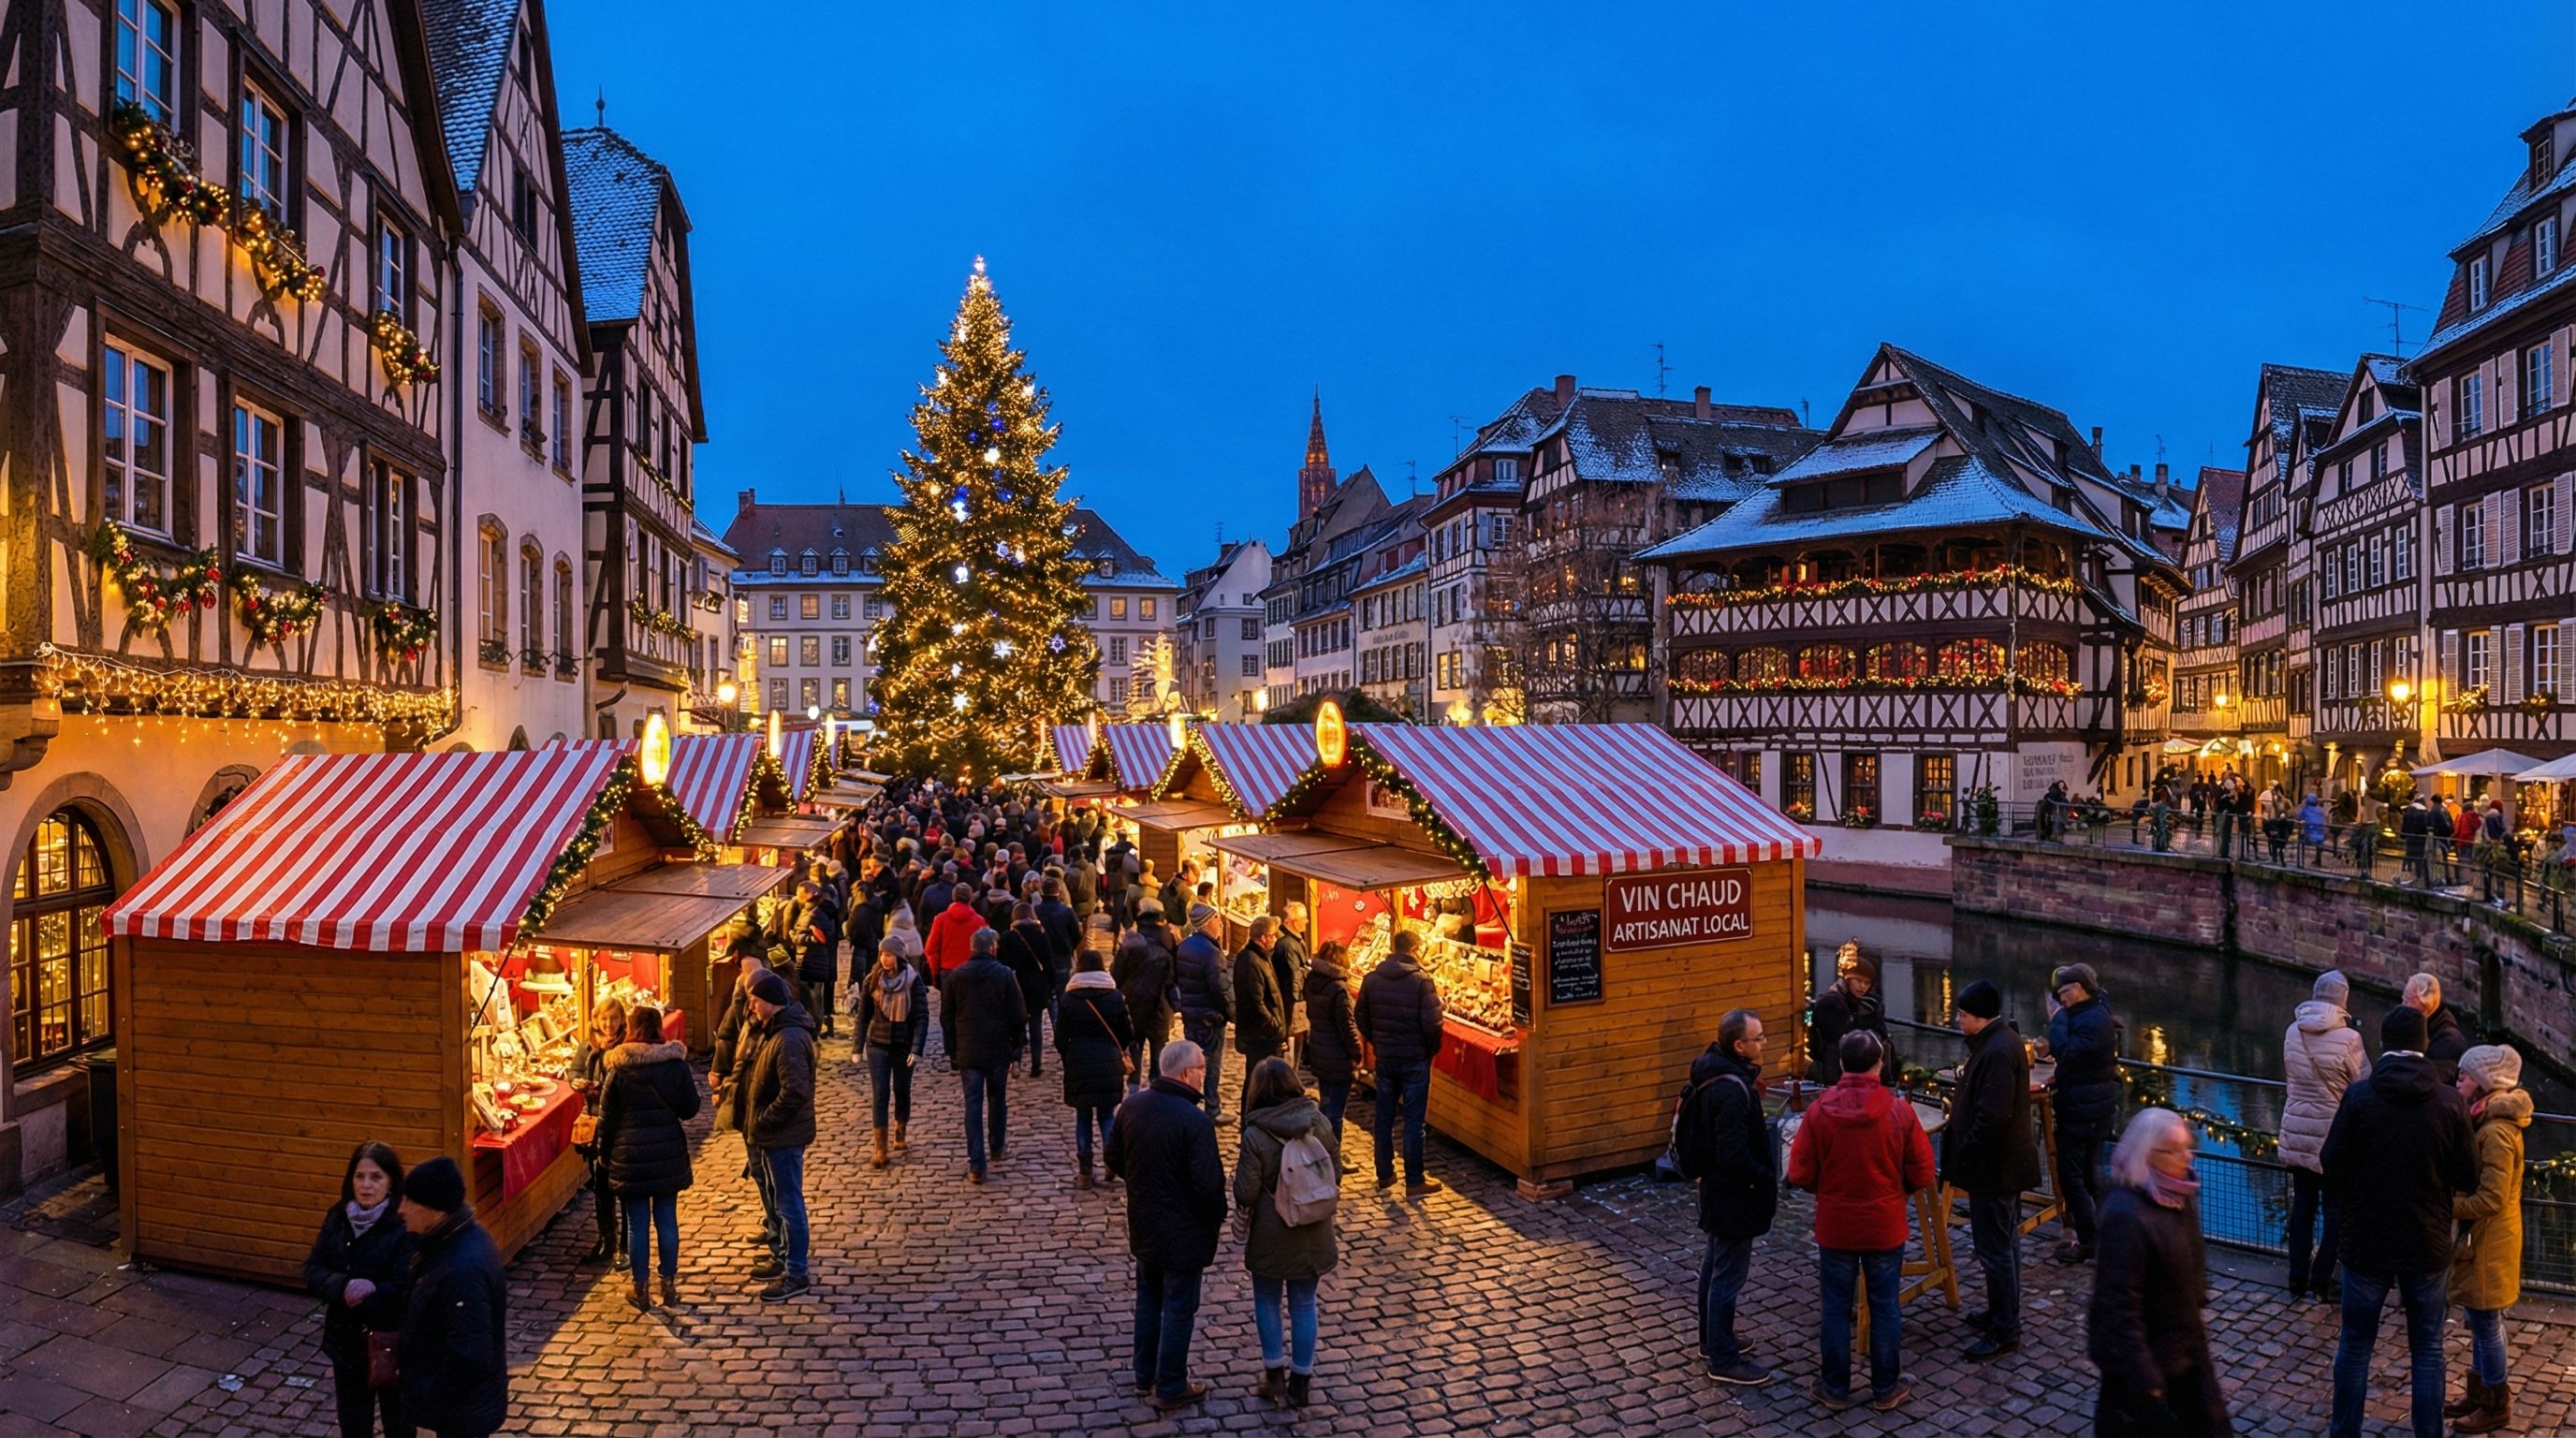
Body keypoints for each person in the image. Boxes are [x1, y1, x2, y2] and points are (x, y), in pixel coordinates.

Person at [2321, 1004, 2478, 1438]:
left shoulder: (2360, 1097)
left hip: (2366, 1239)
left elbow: (2330, 1165)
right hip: (2426, 1240)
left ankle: (2344, 1432)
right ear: (2424, 1047)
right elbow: (2468, 1175)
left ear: (2383, 1045)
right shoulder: (2449, 1102)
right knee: (2427, 1349)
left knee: (2354, 1347)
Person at [1784, 1031, 1931, 1414]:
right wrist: (1898, 1191)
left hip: (1836, 1224)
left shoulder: (1819, 1111)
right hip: (1884, 1223)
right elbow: (1922, 1170)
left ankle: (1834, 1387)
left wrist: (1827, 1190)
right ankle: (1886, 1388)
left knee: (1834, 1307)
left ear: (1843, 1065)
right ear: (1879, 1065)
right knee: (1884, 1306)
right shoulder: (1899, 1111)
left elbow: (1799, 1172)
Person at [2087, 1108, 2231, 1436]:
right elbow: (2118, 1305)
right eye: (2175, 1149)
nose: (2187, 1156)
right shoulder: (2126, 1217)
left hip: (2183, 1350)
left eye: (2187, 1146)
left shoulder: (2178, 1194)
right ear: (2148, 1154)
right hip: (2149, 1368)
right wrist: (2146, 1379)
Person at [1107, 1040, 1228, 1413]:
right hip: (1184, 1231)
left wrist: (1144, 1185)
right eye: (1203, 1070)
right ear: (1185, 1073)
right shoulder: (1194, 1121)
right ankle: (1171, 1383)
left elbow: (1113, 1158)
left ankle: (1145, 1374)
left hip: (1146, 1223)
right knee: (1178, 1307)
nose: (1205, 1077)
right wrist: (1216, 1219)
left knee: (1149, 1300)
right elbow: (1209, 1187)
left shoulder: (1133, 1107)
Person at [1672, 1007, 1776, 1386]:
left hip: (1716, 1189)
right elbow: (1733, 1153)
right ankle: (1723, 1357)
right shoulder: (1730, 1090)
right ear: (1739, 1045)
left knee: (1715, 1266)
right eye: (1758, 1038)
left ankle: (1712, 1339)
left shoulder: (1713, 1072)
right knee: (1727, 1276)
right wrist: (1763, 1177)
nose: (1764, 1043)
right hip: (1732, 1193)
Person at [1942, 978, 2040, 1361]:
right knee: (2004, 1244)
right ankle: (2002, 1314)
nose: (1958, 1020)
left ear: (1980, 1018)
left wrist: (1965, 1149)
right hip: (2001, 1166)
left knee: (1995, 1249)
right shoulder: (2003, 1040)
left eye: (1963, 1015)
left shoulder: (1996, 1051)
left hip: (1994, 1169)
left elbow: (1993, 1116)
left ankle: (2005, 1329)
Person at [1234, 1056, 1339, 1410]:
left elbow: (1245, 1192)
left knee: (1266, 1299)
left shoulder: (1254, 1133)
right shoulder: (1319, 1123)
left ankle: (1274, 1376)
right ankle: (1302, 1383)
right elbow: (1334, 1174)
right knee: (1304, 1303)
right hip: (1312, 1227)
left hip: (1271, 1231)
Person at [2447, 1044, 2530, 1433]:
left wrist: (2449, 1205)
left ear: (2484, 1085)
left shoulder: (2496, 1131)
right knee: (2480, 1318)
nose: (2457, 1079)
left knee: (2486, 1322)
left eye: (2464, 1075)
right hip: (2485, 1239)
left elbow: (2493, 1199)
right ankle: (2479, 1394)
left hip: (2490, 1241)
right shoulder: (2485, 1120)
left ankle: (2495, 1404)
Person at [305, 1140, 413, 1438]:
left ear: (391, 1182)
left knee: (399, 1425)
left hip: (392, 1342)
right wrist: (342, 1286)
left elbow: (407, 1286)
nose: (366, 1185)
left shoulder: (404, 1224)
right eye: (360, 1176)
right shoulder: (338, 1217)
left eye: (376, 1177)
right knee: (353, 1425)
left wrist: (371, 1291)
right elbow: (313, 1269)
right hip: (347, 1342)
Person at [593, 1005, 698, 1311]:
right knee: (667, 1219)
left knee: (637, 1224)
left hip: (630, 1157)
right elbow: (690, 1109)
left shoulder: (619, 1068)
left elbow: (607, 1119)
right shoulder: (675, 1065)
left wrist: (604, 1155)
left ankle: (640, 1289)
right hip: (667, 1153)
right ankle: (668, 1285)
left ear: (632, 1027)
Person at [393, 1156, 506, 1438]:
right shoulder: (455, 1240)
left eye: (409, 1202)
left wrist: (427, 1390)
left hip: (462, 1413)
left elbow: (469, 1353)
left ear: (434, 1211)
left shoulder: (461, 1268)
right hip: (462, 1408)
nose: (401, 1209)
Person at [2279, 970, 2368, 1303]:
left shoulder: (2292, 1031)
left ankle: (2295, 1277)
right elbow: (2362, 1083)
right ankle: (2322, 1279)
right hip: (2334, 1137)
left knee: (2302, 1206)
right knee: (2336, 1211)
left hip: (2298, 1129)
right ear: (2343, 999)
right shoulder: (2349, 1039)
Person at [742, 969, 817, 1299]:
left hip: (783, 1137)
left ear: (772, 1003)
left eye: (755, 1001)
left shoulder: (788, 1039)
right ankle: (785, 1259)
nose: (752, 1007)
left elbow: (795, 1092)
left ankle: (796, 1273)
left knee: (789, 1205)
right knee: (782, 1201)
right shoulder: (779, 1031)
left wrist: (765, 1121)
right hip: (777, 1136)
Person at [2036, 962, 2118, 1265]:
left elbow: (2069, 1055)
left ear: (2081, 988)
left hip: (2083, 1112)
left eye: (2065, 992)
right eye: (2058, 996)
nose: (2062, 999)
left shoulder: (2091, 1021)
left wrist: (2057, 1019)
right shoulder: (2095, 1013)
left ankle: (2090, 1242)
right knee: (2092, 1175)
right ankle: (2108, 1236)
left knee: (2072, 1177)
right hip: (2095, 1108)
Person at [1355, 930, 1446, 1196]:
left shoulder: (1372, 979)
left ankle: (1385, 1174)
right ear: (1415, 949)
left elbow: (1361, 1016)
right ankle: (1415, 1180)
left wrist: (1378, 1041)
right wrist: (1429, 1050)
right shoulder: (1421, 981)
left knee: (1383, 1117)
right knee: (1414, 1121)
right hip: (1414, 1059)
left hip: (1386, 1058)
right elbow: (1433, 1024)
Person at [939, 927, 1028, 1183]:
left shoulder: (956, 977)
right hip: (998, 1048)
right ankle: (997, 1146)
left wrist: (952, 1050)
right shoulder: (1004, 975)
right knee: (997, 1098)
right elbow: (1019, 1015)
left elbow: (947, 1018)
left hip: (968, 1050)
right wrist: (1015, 1049)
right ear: (992, 948)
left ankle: (976, 1164)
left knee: (973, 1105)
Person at [1056, 947, 1136, 1189]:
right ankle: (1111, 1161)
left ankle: (1084, 1171)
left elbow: (1060, 1037)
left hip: (1078, 1062)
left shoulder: (1069, 999)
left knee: (1082, 1116)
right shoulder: (1114, 997)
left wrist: (1069, 1056)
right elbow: (1127, 1033)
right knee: (1106, 1115)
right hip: (1109, 1064)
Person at [856, 937, 930, 1168]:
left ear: (898, 956)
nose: (885, 959)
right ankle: (880, 1148)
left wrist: (916, 1048)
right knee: (880, 1093)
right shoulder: (872, 981)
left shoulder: (913, 981)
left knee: (901, 1089)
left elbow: (921, 1017)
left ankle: (900, 1129)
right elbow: (862, 1017)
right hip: (877, 1043)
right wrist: (857, 1047)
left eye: (889, 955)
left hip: (903, 1044)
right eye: (882, 955)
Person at [569, 998, 627, 1270]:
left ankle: (626, 1245)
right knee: (600, 1186)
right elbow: (575, 1070)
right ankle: (607, 1240)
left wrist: (602, 1086)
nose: (609, 1025)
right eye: (604, 1019)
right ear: (595, 1021)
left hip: (620, 1126)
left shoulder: (627, 1046)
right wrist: (576, 1082)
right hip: (593, 1124)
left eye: (614, 1019)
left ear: (621, 1020)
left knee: (623, 1187)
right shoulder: (587, 1046)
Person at [1172, 904, 1235, 1123]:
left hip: (1192, 1015)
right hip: (1210, 1018)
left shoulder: (1185, 946)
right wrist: (1232, 1014)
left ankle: (1190, 1104)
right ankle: (1212, 1109)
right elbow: (1221, 989)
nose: (1221, 924)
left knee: (1193, 1062)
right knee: (1211, 1065)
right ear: (1208, 922)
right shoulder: (1212, 953)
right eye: (1218, 919)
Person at [1302, 940, 1365, 1141]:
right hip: (1338, 1056)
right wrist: (1357, 1052)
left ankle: (1320, 1145)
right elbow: (1347, 1026)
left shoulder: (1312, 980)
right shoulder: (1339, 989)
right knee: (1336, 1111)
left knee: (1326, 1103)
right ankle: (1332, 1153)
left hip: (1320, 1051)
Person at [1808, 944, 1894, 1086]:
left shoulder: (1869, 1003)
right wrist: (1861, 1019)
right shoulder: (1831, 1002)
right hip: (1835, 1067)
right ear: (1848, 979)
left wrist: (1872, 1014)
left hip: (1865, 1063)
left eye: (1866, 983)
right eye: (1858, 981)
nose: (1862, 987)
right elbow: (1838, 1039)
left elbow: (1881, 1033)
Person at [1114, 900, 1178, 1086]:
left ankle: (1133, 1089)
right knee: (1158, 1050)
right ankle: (1156, 1088)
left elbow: (1116, 975)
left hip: (1133, 1005)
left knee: (1135, 1048)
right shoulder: (1169, 946)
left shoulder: (1131, 945)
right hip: (1160, 1005)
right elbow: (1174, 978)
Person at [1232, 916, 1291, 1117]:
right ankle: (1252, 1123)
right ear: (1264, 938)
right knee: (1256, 1083)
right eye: (1273, 936)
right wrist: (1274, 1026)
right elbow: (1254, 1003)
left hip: (1263, 1037)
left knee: (1262, 1083)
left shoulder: (1259, 957)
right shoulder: (1251, 961)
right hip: (1260, 1038)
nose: (1275, 939)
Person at [1000, 902, 1055, 1078]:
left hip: (1014, 984)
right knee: (1036, 1023)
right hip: (1036, 985)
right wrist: (1052, 985)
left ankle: (1015, 1060)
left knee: (1016, 1024)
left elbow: (1001, 963)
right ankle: (1036, 1064)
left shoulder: (1007, 937)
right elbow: (1048, 964)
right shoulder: (1040, 936)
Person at [793, 880, 843, 1039]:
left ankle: (815, 1027)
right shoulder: (822, 909)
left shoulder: (814, 912)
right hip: (819, 961)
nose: (797, 897)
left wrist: (794, 936)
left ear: (808, 893)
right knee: (815, 997)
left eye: (800, 893)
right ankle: (819, 1025)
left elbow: (818, 937)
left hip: (812, 960)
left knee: (813, 998)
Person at [2405, 972, 2468, 1085]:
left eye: (2409, 1000)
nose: (2404, 1005)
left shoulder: (2449, 1042)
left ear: (2425, 1004)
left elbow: (2433, 1082)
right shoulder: (2418, 1025)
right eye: (2403, 999)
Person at [924, 884, 988, 983]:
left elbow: (931, 949)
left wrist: (935, 973)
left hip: (947, 971)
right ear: (970, 898)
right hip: (972, 972)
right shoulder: (980, 922)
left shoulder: (941, 919)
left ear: (953, 896)